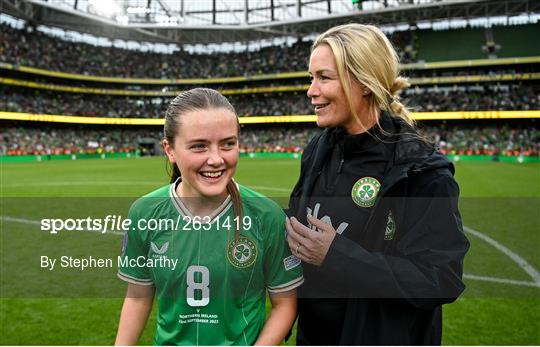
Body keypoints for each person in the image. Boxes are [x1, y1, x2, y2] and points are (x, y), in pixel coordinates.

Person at [286, 24, 469, 345]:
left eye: (324, 78)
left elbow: (441, 279)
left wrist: (337, 255)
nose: (311, 90)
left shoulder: (421, 170)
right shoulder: (318, 149)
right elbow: (297, 232)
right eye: (310, 77)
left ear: (364, 82)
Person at [115, 88, 303, 345]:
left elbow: (285, 304)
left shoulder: (267, 216)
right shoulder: (145, 212)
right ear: (169, 150)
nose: (216, 159)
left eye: (228, 144)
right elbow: (137, 296)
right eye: (199, 146)